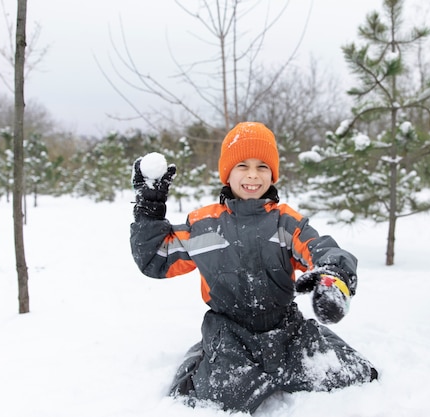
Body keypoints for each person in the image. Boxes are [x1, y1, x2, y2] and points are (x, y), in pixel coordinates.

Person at [130, 122, 377, 414]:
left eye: (262, 166)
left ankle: (310, 349)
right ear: (227, 172)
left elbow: (320, 248)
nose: (252, 174)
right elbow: (156, 259)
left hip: (285, 329)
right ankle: (206, 357)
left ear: (272, 173)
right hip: (230, 332)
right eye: (242, 165)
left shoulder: (285, 222)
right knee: (217, 397)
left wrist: (333, 276)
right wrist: (149, 209)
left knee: (349, 374)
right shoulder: (204, 225)